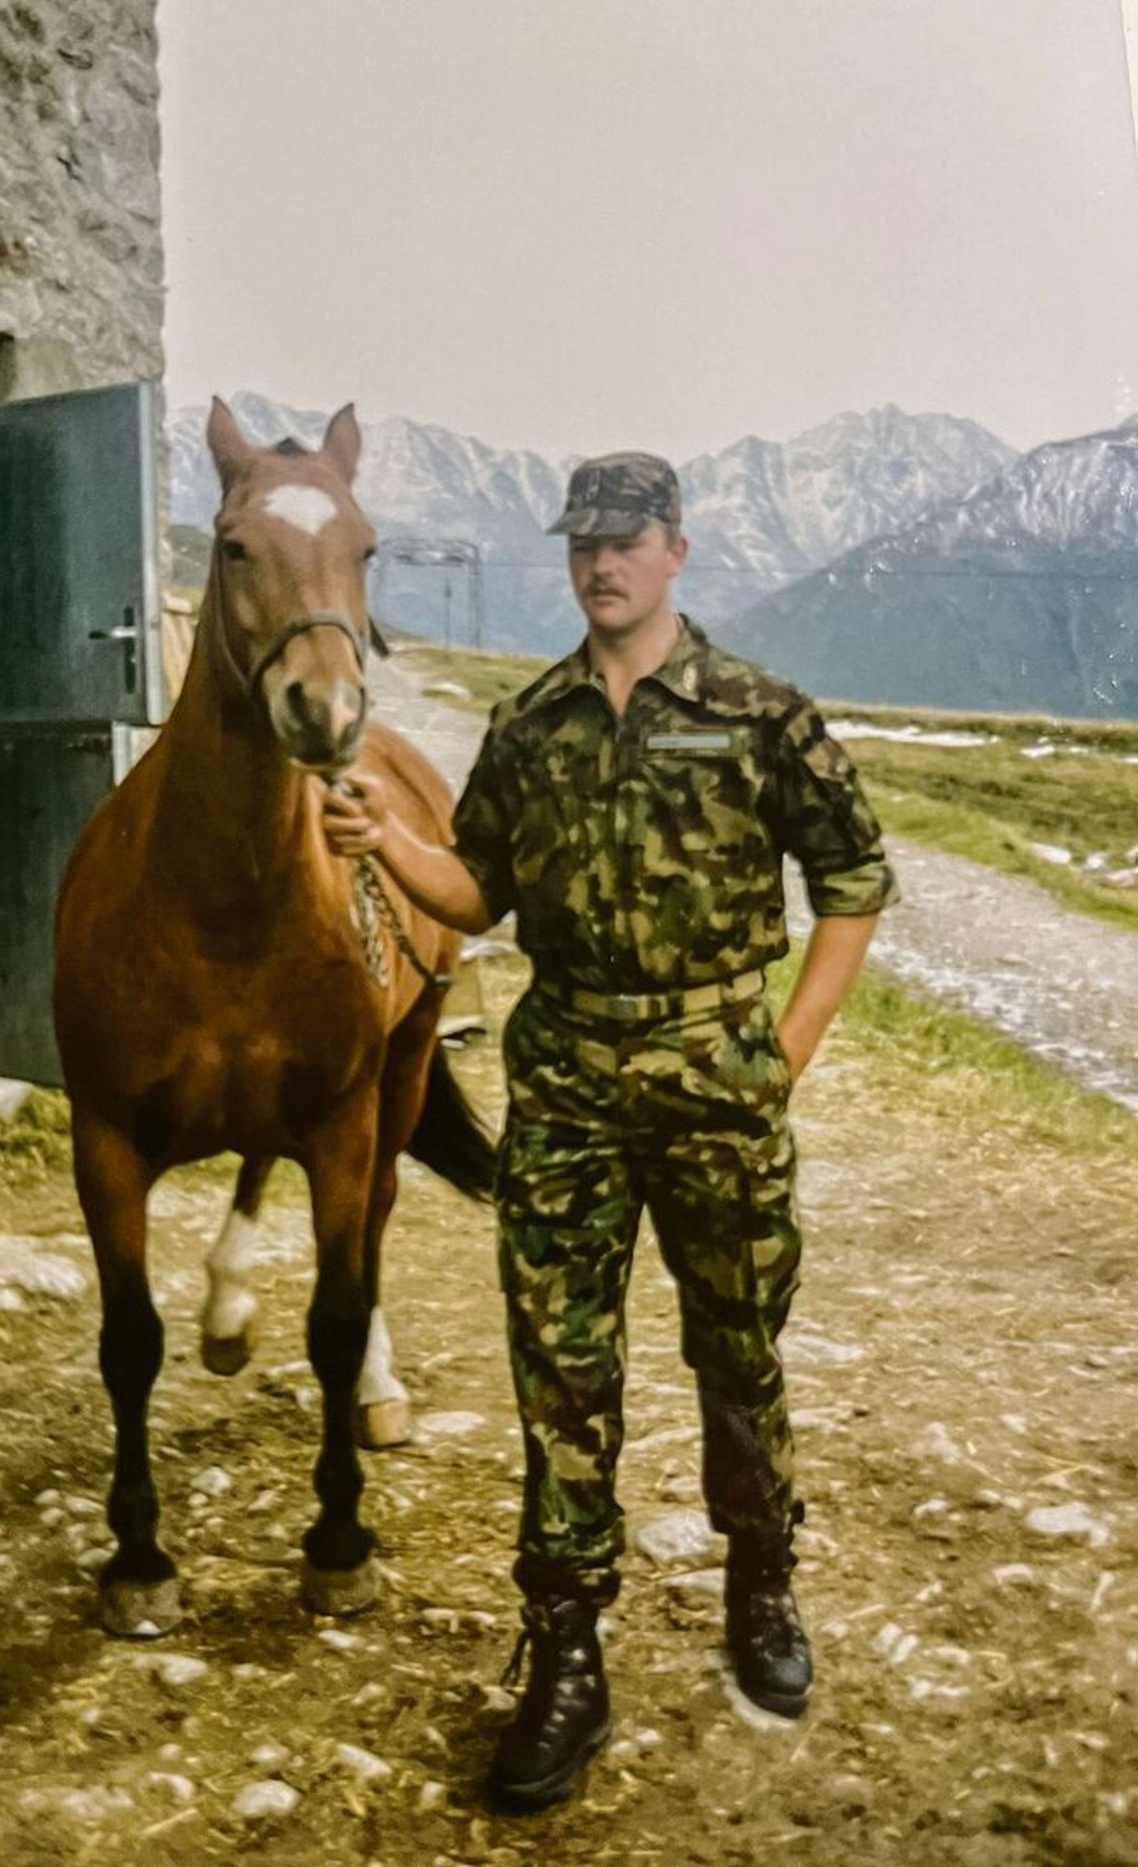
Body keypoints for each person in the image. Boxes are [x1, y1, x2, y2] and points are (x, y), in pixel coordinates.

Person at [322, 452, 898, 1811]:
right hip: (570, 1084)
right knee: (561, 1378)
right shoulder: (532, 727)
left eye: (627, 540)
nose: (603, 562)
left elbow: (857, 877)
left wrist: (786, 1050)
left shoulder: (758, 712)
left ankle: (762, 1585)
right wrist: (384, 846)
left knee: (738, 1345)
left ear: (676, 552)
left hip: (717, 1083)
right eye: (585, 541)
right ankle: (566, 1652)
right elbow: (480, 889)